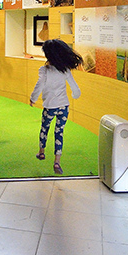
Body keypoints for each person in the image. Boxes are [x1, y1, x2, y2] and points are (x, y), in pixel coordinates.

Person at [29, 39, 83, 174]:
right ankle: (57, 162)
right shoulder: (64, 70)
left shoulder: (44, 70)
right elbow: (74, 86)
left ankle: (41, 152)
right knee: (59, 132)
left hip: (50, 106)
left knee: (44, 128)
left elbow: (39, 85)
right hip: (64, 106)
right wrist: (76, 94)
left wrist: (33, 98)